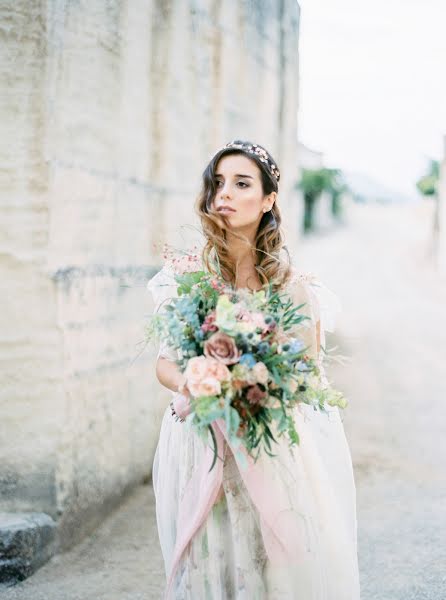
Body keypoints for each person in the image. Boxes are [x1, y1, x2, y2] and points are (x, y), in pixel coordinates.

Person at [147, 140, 360, 599]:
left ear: (268, 201)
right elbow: (164, 363)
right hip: (199, 445)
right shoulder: (187, 279)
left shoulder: (294, 290)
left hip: (268, 449)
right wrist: (197, 381)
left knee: (266, 573)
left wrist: (252, 384)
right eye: (217, 183)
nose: (225, 192)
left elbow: (305, 378)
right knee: (210, 565)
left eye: (241, 183)